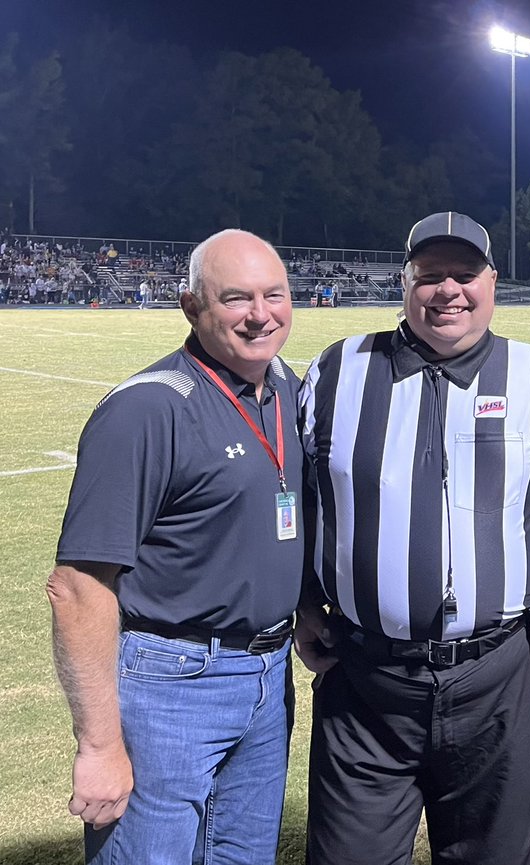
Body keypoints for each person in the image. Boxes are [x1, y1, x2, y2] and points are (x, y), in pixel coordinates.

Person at [296, 211, 530, 865]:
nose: (448, 290)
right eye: (430, 274)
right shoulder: (338, 371)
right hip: (368, 683)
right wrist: (302, 601)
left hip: (500, 677)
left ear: (492, 282)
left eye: (465, 274)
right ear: (404, 282)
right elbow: (298, 495)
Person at [46, 229, 303, 865]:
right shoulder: (146, 409)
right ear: (191, 307)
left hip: (270, 676)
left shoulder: (284, 388)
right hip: (171, 682)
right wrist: (100, 746)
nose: (260, 314)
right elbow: (78, 586)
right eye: (236, 298)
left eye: (274, 294)